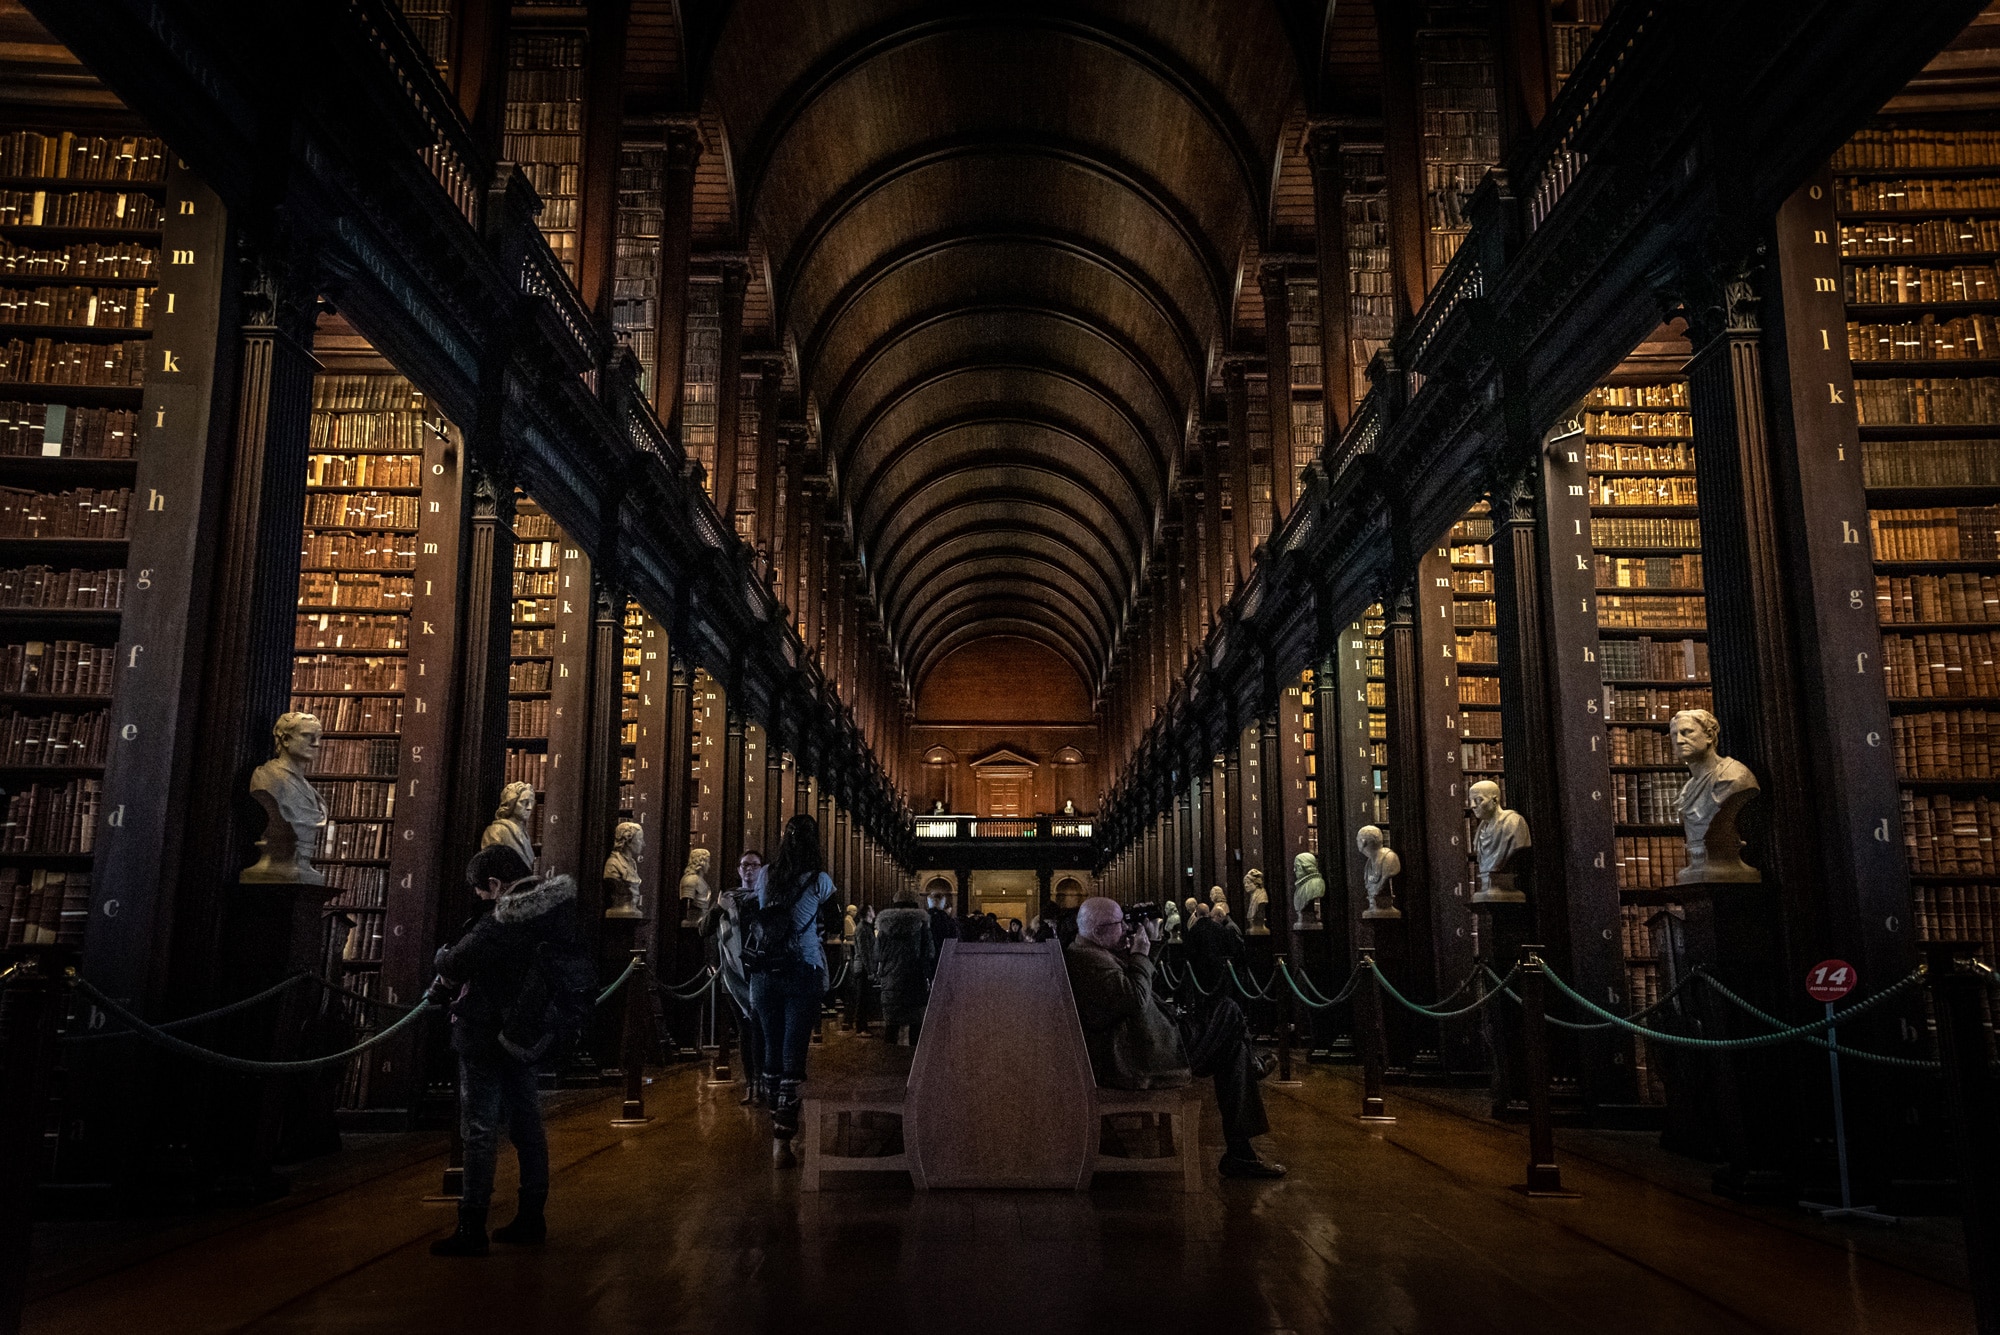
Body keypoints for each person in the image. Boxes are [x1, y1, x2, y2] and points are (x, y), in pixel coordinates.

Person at [427, 843, 593, 1256]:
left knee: (479, 1129)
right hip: (527, 1032)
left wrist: (443, 955)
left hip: (484, 1032)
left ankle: (472, 1225)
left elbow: (455, 964)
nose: (481, 900)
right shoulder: (557, 911)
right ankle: (531, 1216)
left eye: (482, 892)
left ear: (497, 884)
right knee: (528, 1126)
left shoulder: (502, 918)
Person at [1064, 896, 1283, 1179]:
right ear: (1098, 931)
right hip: (1142, 1058)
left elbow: (1131, 988)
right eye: (1119, 924)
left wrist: (1149, 948)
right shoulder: (1089, 962)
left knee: (1232, 1046)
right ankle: (1241, 1148)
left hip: (1148, 1045)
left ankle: (1241, 1151)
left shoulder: (1086, 951)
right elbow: (1135, 997)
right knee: (1228, 1013)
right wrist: (1141, 953)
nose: (1126, 930)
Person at [746, 814, 842, 1168]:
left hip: (764, 973)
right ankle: (782, 1140)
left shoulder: (767, 873)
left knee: (771, 1050)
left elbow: (761, 913)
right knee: (792, 1056)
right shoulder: (819, 880)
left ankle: (777, 1124)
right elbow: (833, 924)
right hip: (803, 969)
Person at [702, 849, 764, 1105]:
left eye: (755, 865)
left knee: (761, 1031)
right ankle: (751, 1084)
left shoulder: (765, 898)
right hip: (733, 977)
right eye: (745, 865)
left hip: (760, 974)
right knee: (745, 1032)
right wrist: (719, 908)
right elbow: (704, 929)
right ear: (739, 870)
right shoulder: (726, 897)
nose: (749, 869)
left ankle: (763, 1083)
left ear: (761, 870)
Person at [871, 889, 934, 1046]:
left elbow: (877, 954)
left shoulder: (884, 927)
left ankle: (889, 1061)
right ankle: (913, 1065)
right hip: (915, 979)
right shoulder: (922, 925)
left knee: (891, 1027)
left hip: (891, 980)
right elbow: (930, 952)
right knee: (915, 1026)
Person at [1184, 894, 1244, 995]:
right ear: (1208, 913)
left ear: (1196, 914)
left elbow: (1189, 951)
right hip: (1218, 969)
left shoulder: (1193, 931)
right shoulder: (1220, 929)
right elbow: (1229, 948)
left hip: (1200, 971)